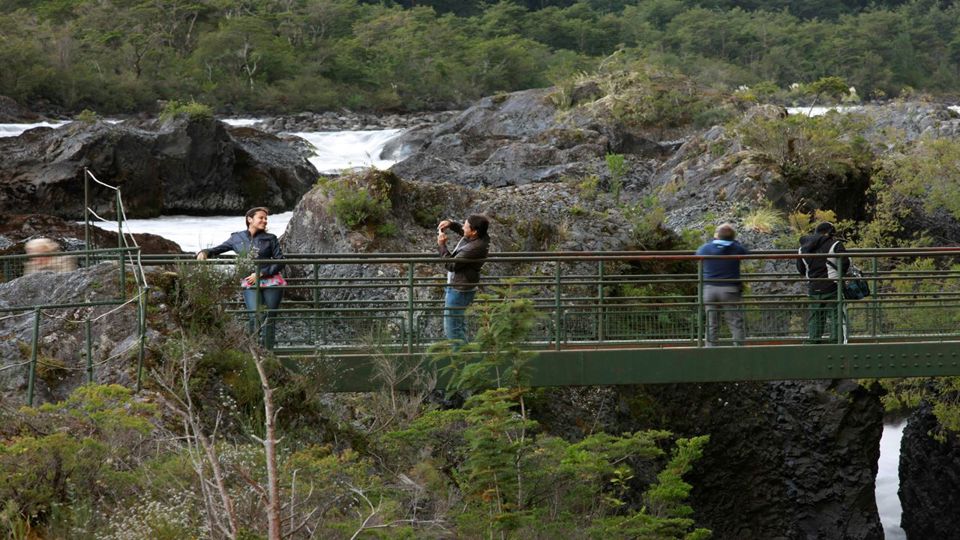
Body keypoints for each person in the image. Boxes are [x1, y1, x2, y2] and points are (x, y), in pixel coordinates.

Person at [197, 207, 285, 348]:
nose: (265, 221)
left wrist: (260, 273)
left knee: (269, 318)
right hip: (250, 282)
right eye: (261, 218)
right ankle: (254, 350)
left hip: (271, 281)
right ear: (250, 219)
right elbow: (218, 249)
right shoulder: (237, 238)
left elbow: (280, 260)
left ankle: (268, 353)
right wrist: (205, 251)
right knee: (254, 316)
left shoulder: (270, 238)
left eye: (266, 218)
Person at [437, 215, 490, 344]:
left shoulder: (474, 248)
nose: (463, 227)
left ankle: (461, 360)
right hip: (461, 287)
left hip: (459, 291)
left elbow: (451, 265)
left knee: (453, 330)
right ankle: (466, 355)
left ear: (474, 231)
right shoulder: (480, 236)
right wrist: (450, 224)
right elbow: (464, 232)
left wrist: (442, 245)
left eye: (465, 226)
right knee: (459, 326)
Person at [696, 223, 749, 347]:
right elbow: (746, 251)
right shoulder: (736, 248)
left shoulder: (706, 248)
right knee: (735, 321)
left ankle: (710, 349)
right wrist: (734, 242)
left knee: (711, 322)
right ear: (732, 237)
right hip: (730, 290)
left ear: (716, 236)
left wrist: (714, 241)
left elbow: (698, 253)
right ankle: (739, 349)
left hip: (710, 289)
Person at [798, 222, 849, 344]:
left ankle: (814, 342)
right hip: (833, 286)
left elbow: (801, 269)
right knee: (837, 316)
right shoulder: (836, 245)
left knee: (815, 317)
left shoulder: (802, 248)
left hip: (813, 287)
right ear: (829, 232)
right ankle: (837, 342)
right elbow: (845, 264)